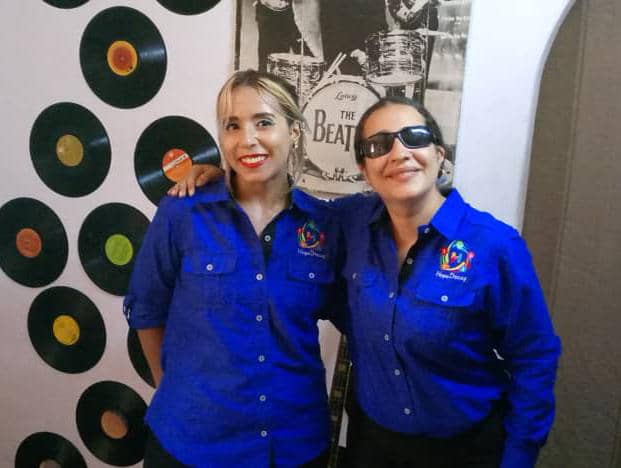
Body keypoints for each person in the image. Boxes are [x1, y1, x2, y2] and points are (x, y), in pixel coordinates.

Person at [172, 96, 561, 468]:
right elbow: (283, 204)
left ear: (439, 154)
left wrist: (519, 455)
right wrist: (220, 177)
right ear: (364, 168)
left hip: (467, 448)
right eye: (378, 145)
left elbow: (535, 357)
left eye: (415, 137)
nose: (399, 153)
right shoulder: (347, 223)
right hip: (372, 445)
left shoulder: (495, 245)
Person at [124, 69, 344, 467]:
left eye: (264, 122)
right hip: (193, 443)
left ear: (294, 131)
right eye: (232, 125)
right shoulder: (183, 211)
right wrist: (173, 390)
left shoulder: (324, 226)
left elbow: (355, 313)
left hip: (292, 445)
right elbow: (146, 310)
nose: (247, 139)